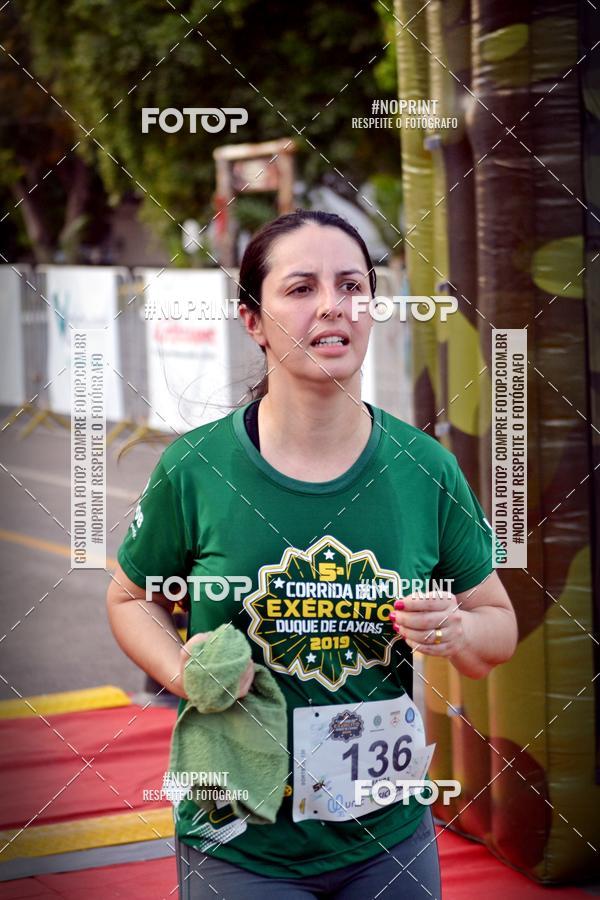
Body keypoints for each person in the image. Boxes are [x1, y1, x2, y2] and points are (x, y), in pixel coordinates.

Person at [106, 209, 518, 899]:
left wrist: (455, 629)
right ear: (253, 321)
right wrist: (182, 670)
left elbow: (496, 628)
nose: (333, 305)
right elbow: (128, 597)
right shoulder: (195, 468)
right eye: (301, 288)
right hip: (239, 838)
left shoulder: (426, 468)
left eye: (352, 285)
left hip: (388, 837)